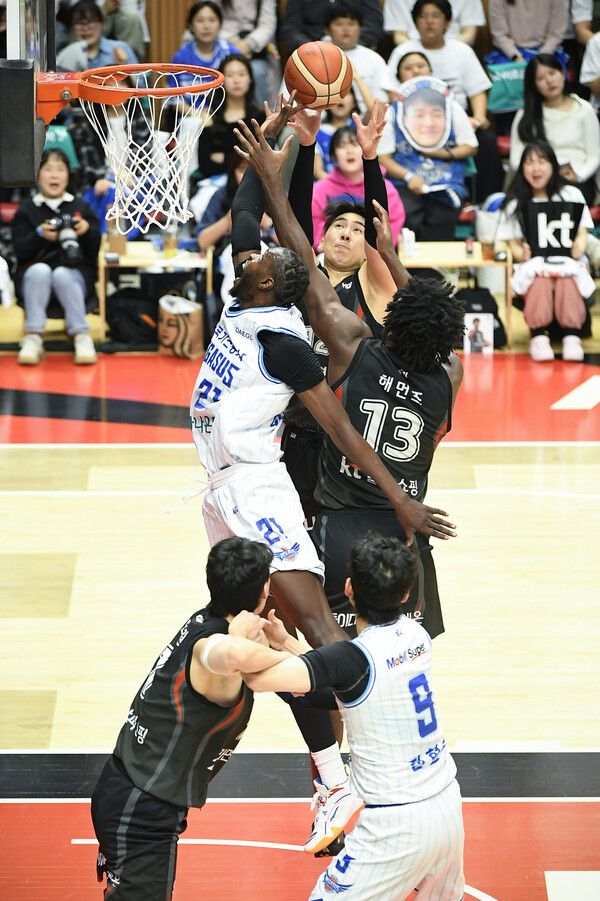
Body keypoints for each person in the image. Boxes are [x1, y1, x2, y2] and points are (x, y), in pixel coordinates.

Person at [234, 116, 463, 640]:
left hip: (344, 512)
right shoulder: (449, 376)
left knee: (337, 640)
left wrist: (271, 177)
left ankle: (333, 709)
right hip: (403, 522)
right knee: (407, 643)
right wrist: (393, 255)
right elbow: (439, 329)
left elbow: (293, 241)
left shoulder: (353, 344)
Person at [91, 536, 316, 898]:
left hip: (132, 791)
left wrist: (282, 641)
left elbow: (306, 684)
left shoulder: (208, 621)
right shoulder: (216, 650)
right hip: (142, 806)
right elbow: (233, 656)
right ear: (264, 592)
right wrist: (280, 649)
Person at [245, 534, 465, 901]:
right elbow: (347, 686)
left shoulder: (352, 659)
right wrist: (286, 643)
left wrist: (242, 638)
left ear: (348, 588)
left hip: (396, 826)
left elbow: (260, 679)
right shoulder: (417, 635)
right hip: (446, 805)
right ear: (406, 594)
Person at [387, 0, 504, 205]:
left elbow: (477, 90)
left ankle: (485, 204)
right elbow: (393, 94)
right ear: (414, 22)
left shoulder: (462, 50)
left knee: (485, 140)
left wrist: (479, 117)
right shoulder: (403, 50)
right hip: (412, 125)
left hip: (457, 120)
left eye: (436, 16)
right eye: (423, 16)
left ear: (448, 22)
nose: (430, 22)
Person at [497, 140, 595, 362]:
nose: (536, 168)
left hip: (567, 263)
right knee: (539, 277)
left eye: (542, 161)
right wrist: (521, 252)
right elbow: (511, 242)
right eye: (529, 162)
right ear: (521, 168)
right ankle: (538, 336)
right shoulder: (514, 203)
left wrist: (579, 245)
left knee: (567, 277)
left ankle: (572, 336)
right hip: (533, 265)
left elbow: (582, 231)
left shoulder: (570, 194)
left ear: (553, 165)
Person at [12, 149, 100, 366]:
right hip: (35, 278)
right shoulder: (27, 209)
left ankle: (81, 335)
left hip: (75, 275)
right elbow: (20, 251)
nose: (54, 175)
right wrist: (40, 234)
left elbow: (94, 251)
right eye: (48, 169)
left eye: (60, 169)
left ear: (68, 176)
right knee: (39, 270)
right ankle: (33, 336)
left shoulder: (81, 207)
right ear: (38, 175)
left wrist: (86, 230)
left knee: (63, 274)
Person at [379, 55, 478, 241]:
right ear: (399, 77)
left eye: (421, 66)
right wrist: (409, 177)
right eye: (408, 68)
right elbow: (383, 157)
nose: (416, 70)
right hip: (405, 182)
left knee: (442, 215)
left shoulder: (452, 106)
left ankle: (437, 268)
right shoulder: (392, 112)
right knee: (406, 213)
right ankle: (410, 267)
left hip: (446, 181)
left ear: (431, 72)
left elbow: (471, 146)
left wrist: (444, 153)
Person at [509, 54, 600, 206]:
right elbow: (516, 159)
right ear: (534, 85)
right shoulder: (525, 115)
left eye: (552, 73)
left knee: (568, 199)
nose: (549, 81)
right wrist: (538, 176)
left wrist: (579, 176)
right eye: (541, 78)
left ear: (563, 74)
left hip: (575, 179)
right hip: (535, 180)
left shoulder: (584, 109)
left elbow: (595, 155)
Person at [311, 124, 406, 249]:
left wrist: (374, 253)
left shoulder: (384, 188)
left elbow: (393, 224)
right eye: (342, 146)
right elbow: (312, 228)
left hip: (375, 257)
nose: (349, 151)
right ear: (333, 155)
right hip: (330, 255)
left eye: (354, 145)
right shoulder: (319, 190)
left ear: (365, 150)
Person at [196, 53, 263, 180]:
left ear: (250, 79)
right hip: (215, 184)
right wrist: (239, 160)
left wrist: (225, 158)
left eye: (241, 74)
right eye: (230, 75)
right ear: (221, 81)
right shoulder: (210, 118)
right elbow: (205, 166)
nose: (236, 80)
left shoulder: (260, 117)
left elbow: (259, 163)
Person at [217, 0, 280, 105]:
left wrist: (248, 44)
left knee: (258, 71)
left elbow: (267, 25)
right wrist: (233, 45)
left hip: (256, 47)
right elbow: (210, 16)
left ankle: (261, 116)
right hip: (222, 43)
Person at [55, 0, 138, 71]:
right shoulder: (66, 55)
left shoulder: (121, 48)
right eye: (79, 23)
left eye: (91, 21)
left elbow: (141, 85)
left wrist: (122, 68)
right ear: (71, 28)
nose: (85, 28)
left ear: (102, 24)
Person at [280, 0, 383, 54]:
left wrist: (349, 47)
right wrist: (314, 50)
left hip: (357, 50)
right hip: (312, 53)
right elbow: (291, 29)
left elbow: (373, 24)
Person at [170, 2, 239, 80]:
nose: (206, 26)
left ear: (220, 24)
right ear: (191, 26)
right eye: (200, 20)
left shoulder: (231, 53)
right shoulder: (180, 58)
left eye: (212, 20)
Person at [487, 0, 568, 64]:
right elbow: (499, 34)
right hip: (510, 53)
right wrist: (516, 57)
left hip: (546, 51)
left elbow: (557, 33)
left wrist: (542, 56)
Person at [384, 0, 486, 47]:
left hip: (455, 47)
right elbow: (399, 36)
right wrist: (418, 51)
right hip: (412, 50)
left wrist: (444, 49)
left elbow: (469, 34)